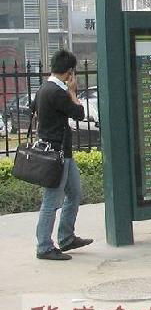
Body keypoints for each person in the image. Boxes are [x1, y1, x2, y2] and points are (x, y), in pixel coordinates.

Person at [32, 50, 92, 260]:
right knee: (51, 201)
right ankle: (44, 246)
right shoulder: (57, 92)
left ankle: (66, 237)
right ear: (69, 72)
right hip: (56, 156)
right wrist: (73, 92)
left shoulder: (43, 89)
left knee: (74, 193)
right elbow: (79, 113)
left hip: (62, 153)